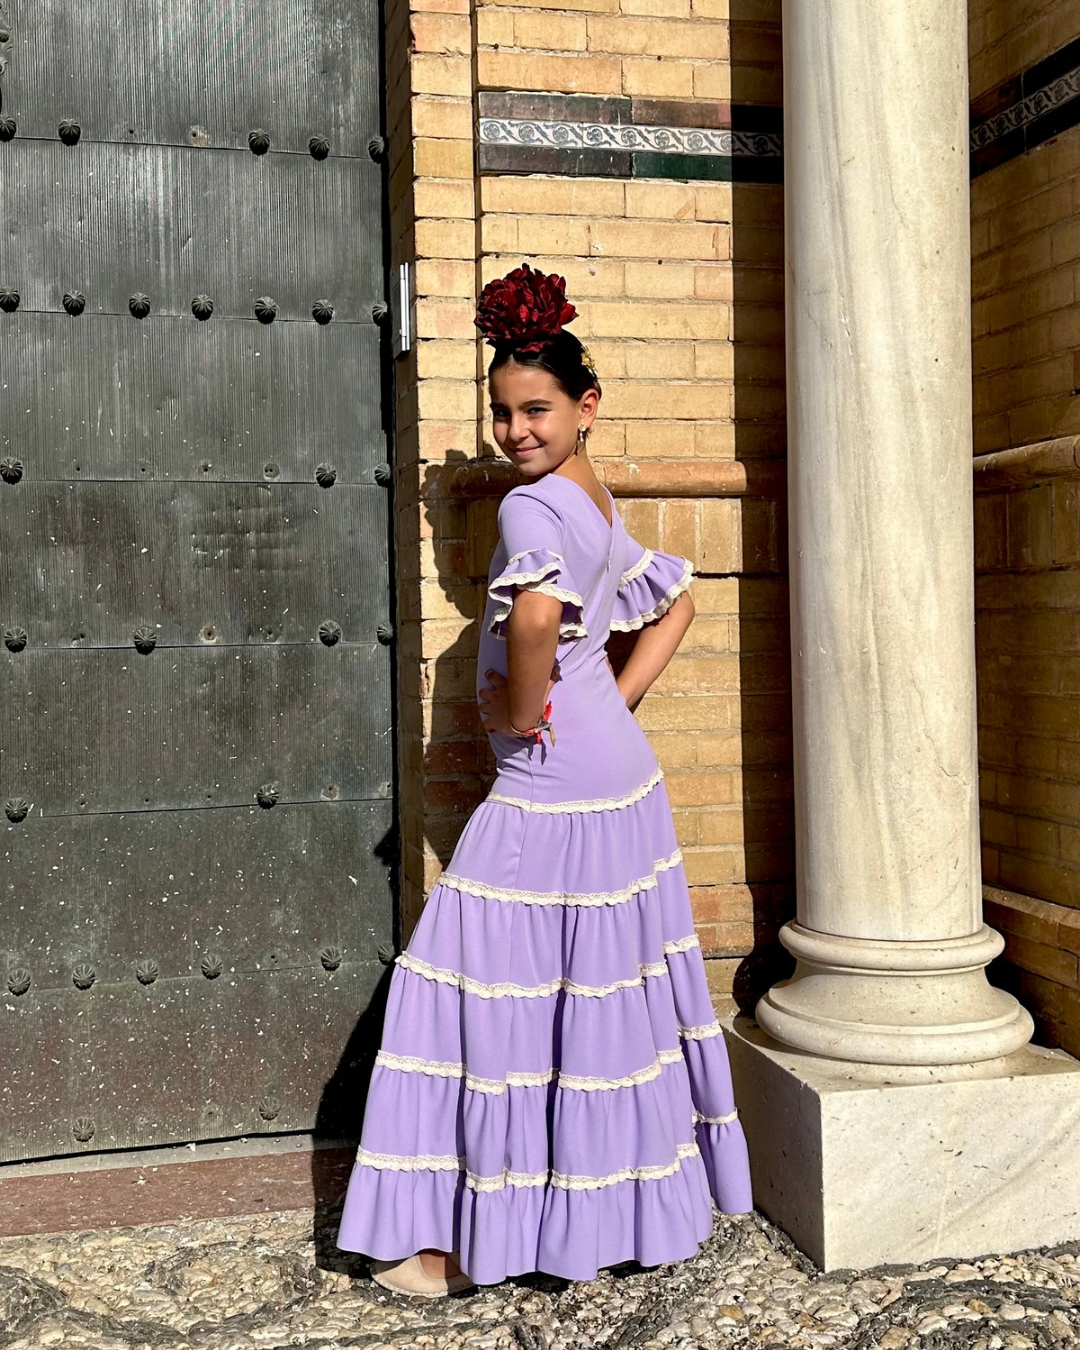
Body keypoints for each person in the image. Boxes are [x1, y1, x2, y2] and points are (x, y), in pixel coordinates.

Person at [336, 263, 752, 1297]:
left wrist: (525, 714)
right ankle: (583, 1220)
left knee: (465, 988)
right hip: (615, 782)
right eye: (503, 414)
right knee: (590, 1003)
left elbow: (533, 621)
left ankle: (451, 1241)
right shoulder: (588, 494)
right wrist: (612, 698)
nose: (517, 431)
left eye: (537, 410)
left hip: (550, 789)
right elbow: (675, 605)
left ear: (585, 406)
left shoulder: (529, 511)